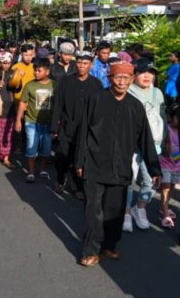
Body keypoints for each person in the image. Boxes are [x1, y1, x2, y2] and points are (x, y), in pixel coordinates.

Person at [75, 61, 162, 267]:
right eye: (117, 77)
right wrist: (80, 161)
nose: (122, 82)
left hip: (121, 167)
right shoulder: (95, 99)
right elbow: (83, 132)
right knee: (93, 210)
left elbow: (145, 140)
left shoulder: (135, 106)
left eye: (126, 78)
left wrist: (154, 169)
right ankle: (91, 249)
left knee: (115, 210)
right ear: (109, 78)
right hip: (94, 164)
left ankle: (109, 245)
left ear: (132, 80)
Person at [123, 57, 167, 232]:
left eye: (151, 72)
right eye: (142, 72)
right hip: (131, 144)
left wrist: (166, 141)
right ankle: (125, 211)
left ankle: (140, 207)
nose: (147, 76)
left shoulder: (158, 93)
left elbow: (162, 118)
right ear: (134, 75)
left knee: (150, 180)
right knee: (128, 179)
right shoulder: (127, 91)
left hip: (154, 144)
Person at [51, 50, 102, 199]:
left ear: (91, 65)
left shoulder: (96, 84)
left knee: (79, 159)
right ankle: (61, 178)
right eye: (79, 62)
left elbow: (99, 109)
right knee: (62, 158)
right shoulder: (66, 81)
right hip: (67, 127)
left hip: (86, 130)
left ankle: (76, 186)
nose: (81, 66)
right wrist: (55, 126)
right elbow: (58, 104)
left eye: (85, 63)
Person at [15, 57, 58, 182]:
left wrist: (58, 121)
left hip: (48, 123)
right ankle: (31, 171)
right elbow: (23, 102)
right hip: (31, 122)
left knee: (46, 148)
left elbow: (58, 105)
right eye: (35, 70)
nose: (36, 73)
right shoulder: (30, 85)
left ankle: (43, 169)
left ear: (47, 71)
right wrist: (18, 120)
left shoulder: (55, 85)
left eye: (39, 70)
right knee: (31, 146)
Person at [160, 103, 180, 228]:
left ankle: (164, 207)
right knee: (166, 187)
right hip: (165, 163)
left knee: (172, 187)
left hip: (177, 165)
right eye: (177, 117)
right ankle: (165, 214)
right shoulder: (166, 130)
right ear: (171, 117)